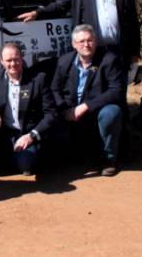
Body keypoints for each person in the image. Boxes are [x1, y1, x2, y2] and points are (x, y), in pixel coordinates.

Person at [0, 43, 56, 180]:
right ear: (1, 61)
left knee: (25, 165)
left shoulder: (39, 79)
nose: (13, 64)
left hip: (26, 133)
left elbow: (51, 114)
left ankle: (12, 158)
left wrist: (31, 136)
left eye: (16, 59)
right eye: (8, 60)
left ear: (22, 58)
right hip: (3, 132)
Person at [52, 25, 124, 176]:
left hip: (96, 110)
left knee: (112, 113)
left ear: (95, 42)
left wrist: (86, 106)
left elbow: (116, 91)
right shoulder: (64, 61)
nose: (86, 45)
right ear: (74, 44)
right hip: (70, 111)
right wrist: (64, 110)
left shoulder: (109, 60)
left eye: (90, 40)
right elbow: (55, 89)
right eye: (81, 41)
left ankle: (109, 159)